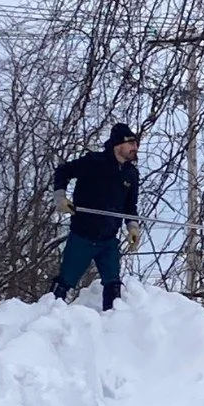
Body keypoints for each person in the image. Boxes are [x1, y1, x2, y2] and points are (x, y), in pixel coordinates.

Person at [51, 123, 142, 310]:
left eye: (136, 143)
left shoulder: (131, 174)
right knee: (64, 283)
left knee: (113, 284)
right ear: (118, 145)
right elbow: (63, 171)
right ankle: (48, 317)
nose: (135, 148)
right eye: (131, 143)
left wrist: (132, 226)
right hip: (83, 235)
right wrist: (60, 197)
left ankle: (112, 324)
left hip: (109, 239)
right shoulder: (93, 162)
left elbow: (130, 206)